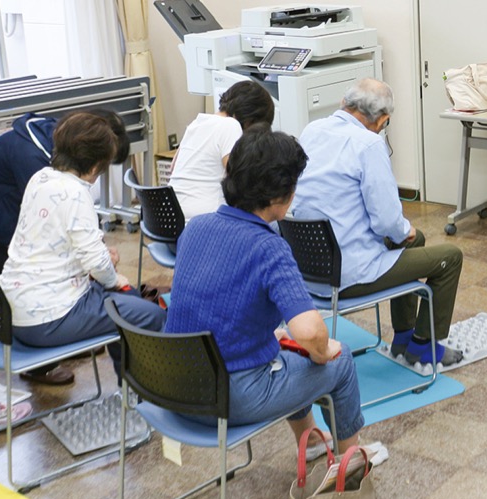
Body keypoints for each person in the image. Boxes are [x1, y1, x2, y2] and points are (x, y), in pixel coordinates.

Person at [165, 126, 386, 462]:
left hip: (173, 388)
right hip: (227, 398)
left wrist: (273, 335)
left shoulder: (195, 228)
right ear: (279, 194)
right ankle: (351, 460)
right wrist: (325, 350)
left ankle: (311, 441)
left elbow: (212, 302)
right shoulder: (270, 247)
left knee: (286, 351)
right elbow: (310, 332)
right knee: (339, 364)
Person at [292, 78, 464, 367]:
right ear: (383, 120)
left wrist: (405, 233)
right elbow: (387, 221)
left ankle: (404, 337)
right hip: (348, 275)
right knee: (449, 257)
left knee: (414, 240)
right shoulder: (369, 144)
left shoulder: (312, 130)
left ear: (344, 104)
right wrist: (404, 230)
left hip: (310, 269)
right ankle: (424, 346)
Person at [0, 112, 165, 385]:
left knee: (130, 298)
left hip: (11, 313)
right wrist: (113, 277)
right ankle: (143, 394)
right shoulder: (77, 192)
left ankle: (131, 390)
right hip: (49, 320)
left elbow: (59, 240)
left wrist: (104, 270)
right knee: (152, 316)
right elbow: (98, 263)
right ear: (96, 165)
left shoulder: (40, 178)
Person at [0, 110, 129, 274]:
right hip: (1, 219)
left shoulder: (63, 136)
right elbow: (54, 223)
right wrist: (99, 255)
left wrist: (98, 249)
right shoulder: (35, 162)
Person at [168, 80, 274, 220]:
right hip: (204, 220)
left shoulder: (197, 123)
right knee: (270, 222)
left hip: (171, 217)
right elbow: (240, 181)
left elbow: (172, 168)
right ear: (251, 122)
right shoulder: (230, 125)